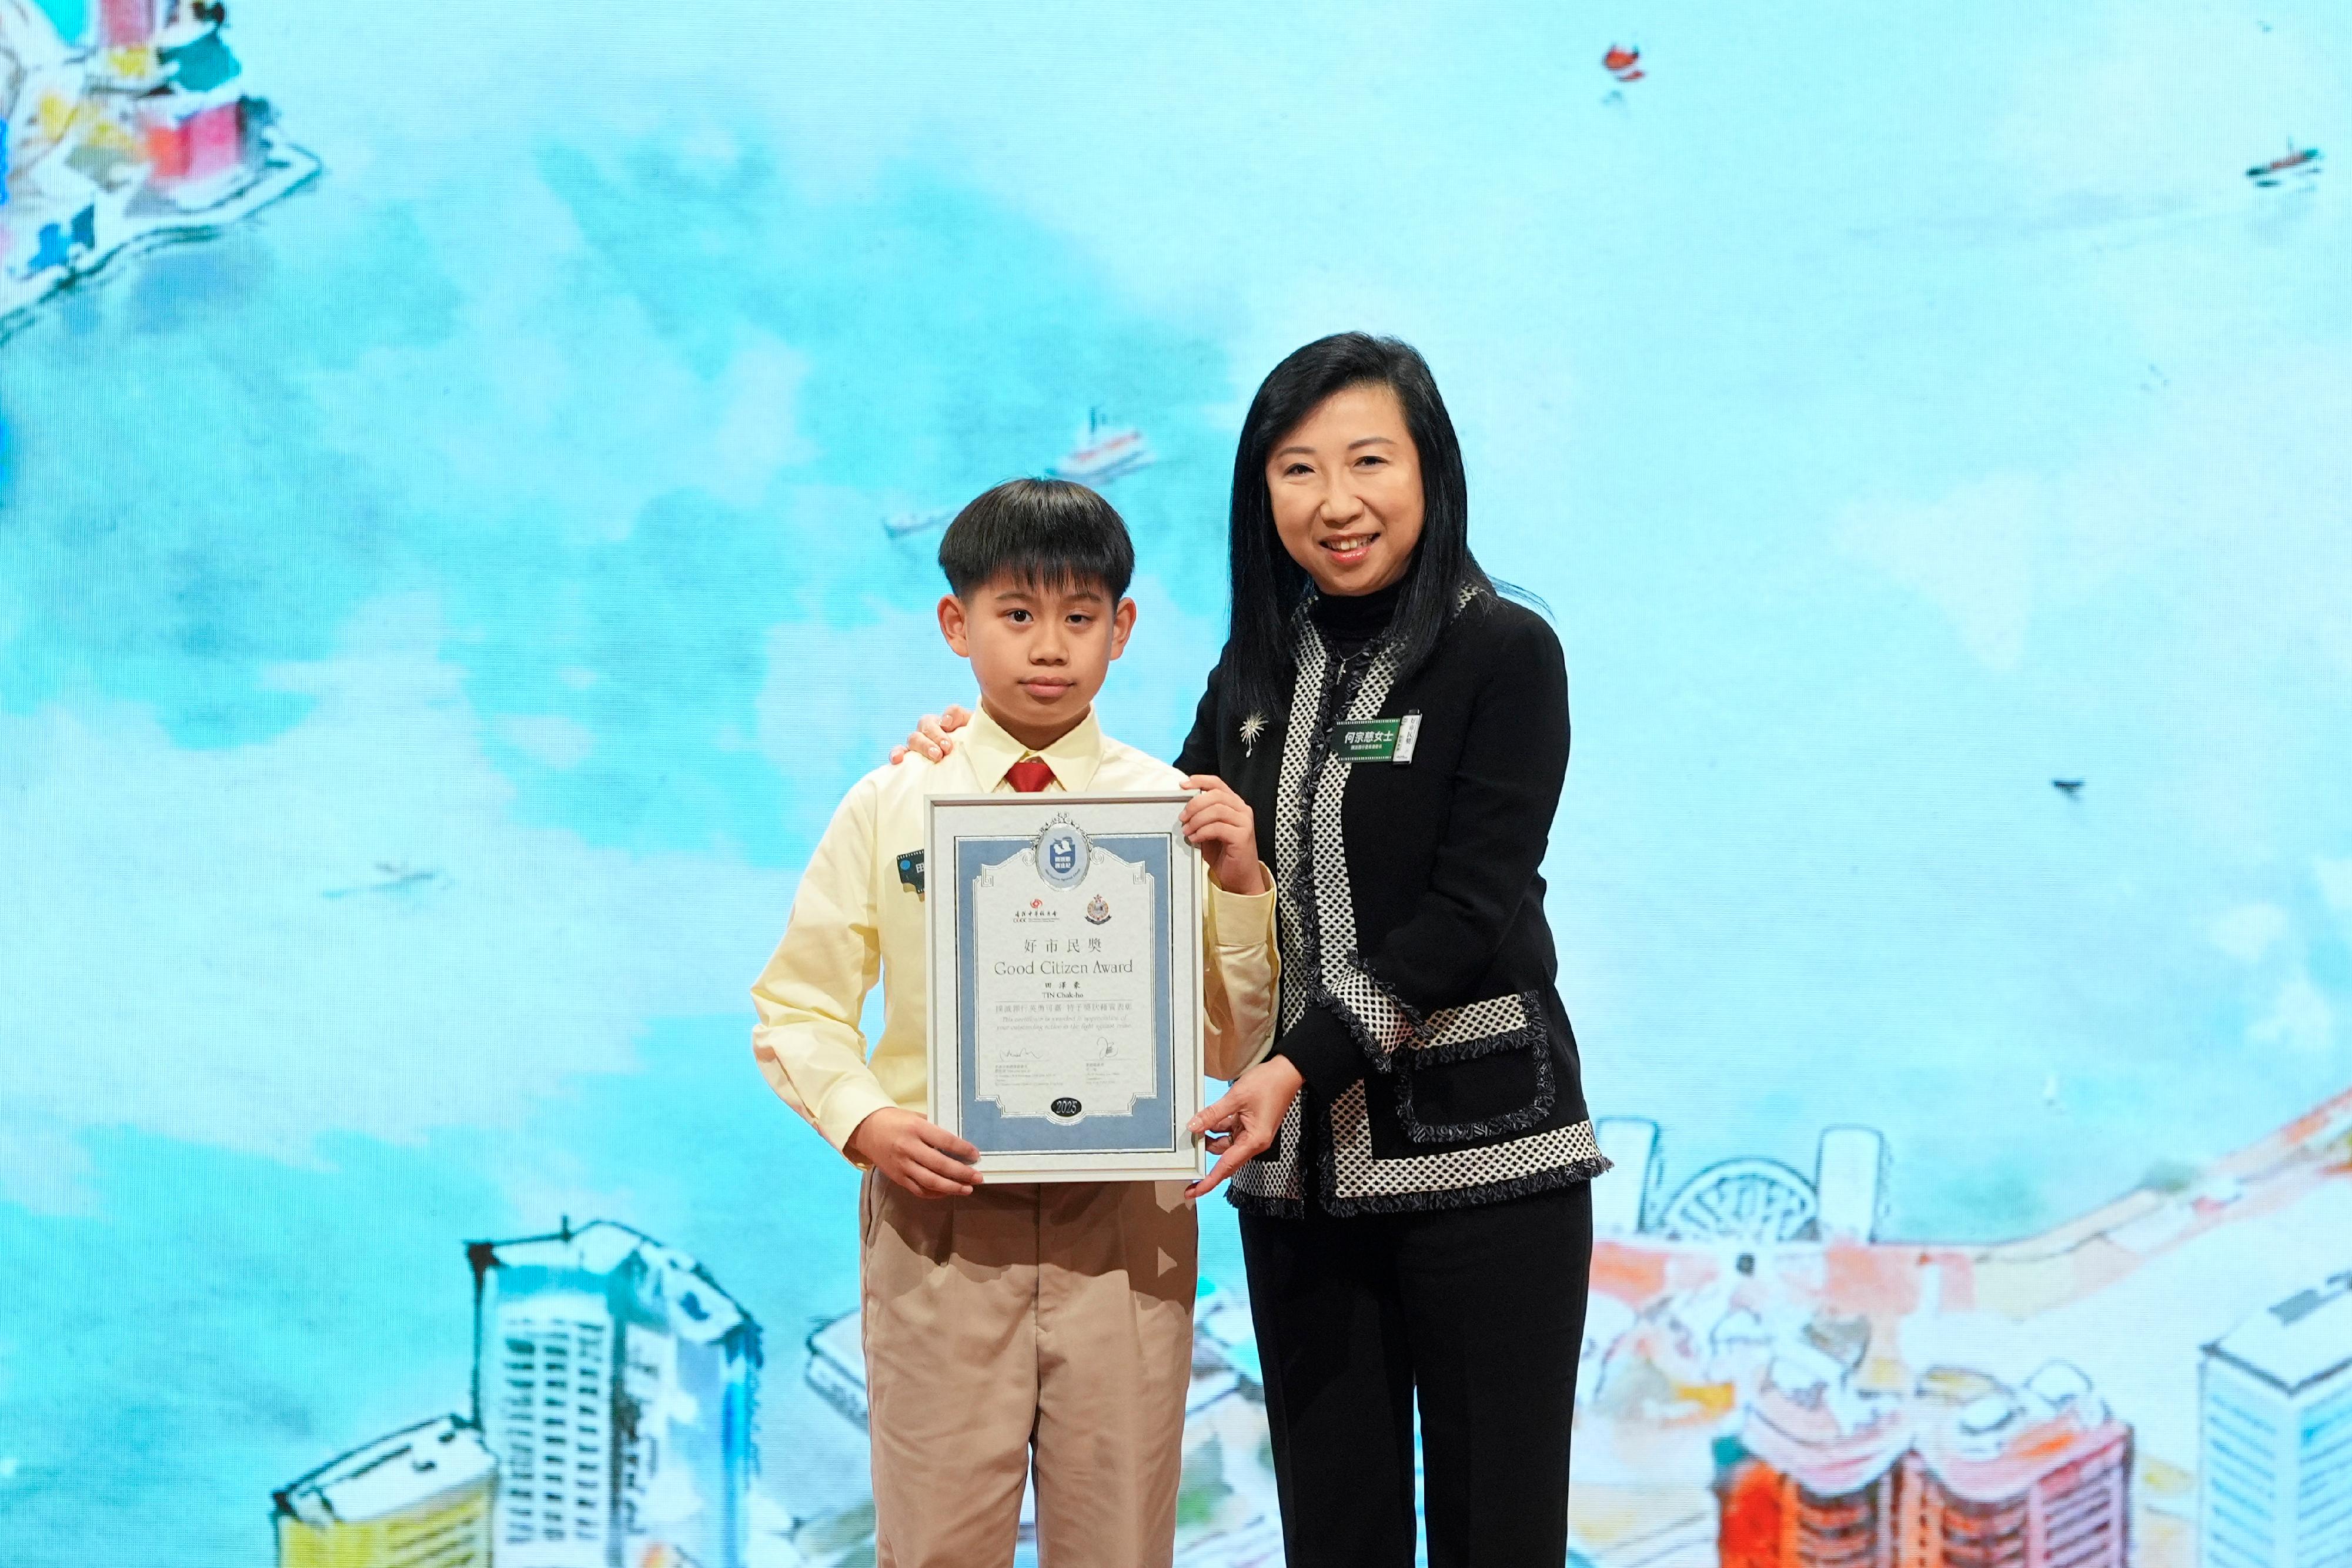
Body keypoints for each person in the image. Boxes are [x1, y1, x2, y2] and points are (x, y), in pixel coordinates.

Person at [896, 335, 1608, 1567]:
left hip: (1484, 1163)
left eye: (1367, 460)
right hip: (1296, 1183)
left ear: (1430, 468)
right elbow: (1137, 836)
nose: (1334, 501)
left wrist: (1291, 1064)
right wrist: (983, 757)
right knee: (1334, 1534)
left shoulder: (1504, 653)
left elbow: (1470, 906)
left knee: (1499, 1534)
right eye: (1296, 469)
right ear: (1259, 493)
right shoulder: (1253, 670)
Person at [751, 477, 1281, 1568]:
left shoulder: (1170, 812)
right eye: (1017, 614)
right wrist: (866, 1125)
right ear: (957, 624)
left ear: (1122, 629)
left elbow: (1232, 1051)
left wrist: (1239, 885)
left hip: (1125, 1234)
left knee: (1121, 1549)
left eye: (1081, 617)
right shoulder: (895, 802)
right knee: (937, 1548)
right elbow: (797, 1007)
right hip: (940, 1221)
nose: (1050, 647)